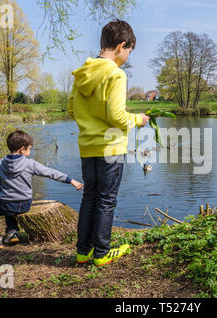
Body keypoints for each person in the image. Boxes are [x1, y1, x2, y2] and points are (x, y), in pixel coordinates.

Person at [68, 19, 149, 267]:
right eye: (129, 51)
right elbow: (116, 116)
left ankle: (83, 252)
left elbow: (71, 110)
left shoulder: (82, 73)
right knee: (106, 200)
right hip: (111, 147)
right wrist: (138, 119)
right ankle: (102, 253)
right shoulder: (115, 74)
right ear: (120, 46)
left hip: (87, 146)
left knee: (89, 197)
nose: (127, 56)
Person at [0, 130, 84, 250]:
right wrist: (70, 180)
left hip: (7, 203)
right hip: (25, 203)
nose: (30, 150)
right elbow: (51, 173)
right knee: (6, 201)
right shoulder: (30, 164)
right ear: (22, 149)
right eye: (29, 148)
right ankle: (11, 233)